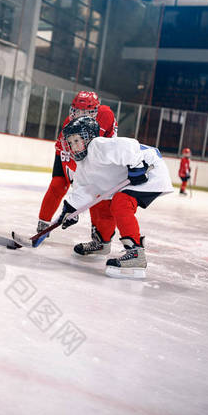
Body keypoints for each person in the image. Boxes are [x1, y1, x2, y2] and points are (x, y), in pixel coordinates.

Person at [56, 116, 173, 279]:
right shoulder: (83, 165)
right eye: (71, 142)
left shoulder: (97, 145)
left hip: (150, 170)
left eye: (77, 140)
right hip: (129, 175)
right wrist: (70, 211)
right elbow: (84, 191)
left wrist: (137, 167)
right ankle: (101, 242)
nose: (74, 146)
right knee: (99, 200)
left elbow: (129, 146)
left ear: (89, 137)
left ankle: (136, 254)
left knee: (121, 202)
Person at [36, 91, 118, 256]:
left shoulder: (105, 116)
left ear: (94, 112)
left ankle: (102, 240)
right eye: (76, 111)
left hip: (102, 157)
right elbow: (68, 154)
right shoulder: (69, 124)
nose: (78, 116)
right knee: (58, 184)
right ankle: (43, 225)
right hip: (77, 155)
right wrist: (73, 206)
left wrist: (75, 207)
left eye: (84, 112)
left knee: (99, 196)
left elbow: (91, 152)